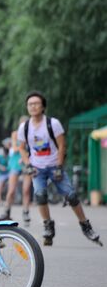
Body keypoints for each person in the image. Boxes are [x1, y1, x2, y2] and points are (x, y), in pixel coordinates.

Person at [17, 91, 101, 246]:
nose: (33, 106)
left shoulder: (53, 123)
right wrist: (28, 164)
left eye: (36, 103)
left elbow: (62, 145)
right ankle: (48, 226)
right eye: (30, 104)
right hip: (37, 168)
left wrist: (59, 166)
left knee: (71, 196)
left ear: (43, 107)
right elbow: (21, 148)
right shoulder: (25, 127)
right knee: (40, 195)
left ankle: (85, 225)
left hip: (54, 165)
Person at [0, 116, 33, 224]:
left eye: (26, 124)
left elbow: (34, 149)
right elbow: (15, 148)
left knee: (26, 190)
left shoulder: (32, 134)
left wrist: (26, 154)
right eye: (22, 124)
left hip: (27, 163)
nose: (24, 127)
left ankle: (26, 212)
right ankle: (6, 212)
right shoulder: (15, 134)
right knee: (11, 190)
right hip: (15, 163)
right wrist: (24, 149)